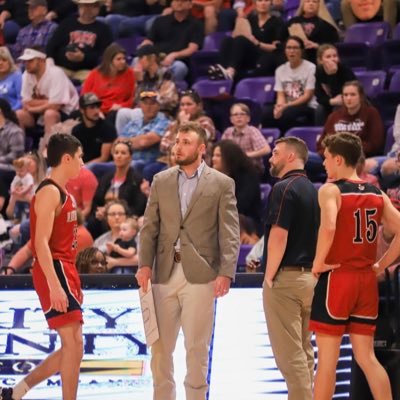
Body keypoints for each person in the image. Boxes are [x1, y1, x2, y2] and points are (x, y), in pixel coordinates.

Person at [136, 121, 240, 400]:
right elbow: (149, 227)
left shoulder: (221, 183)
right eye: (176, 141)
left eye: (185, 142)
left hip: (202, 274)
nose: (177, 146)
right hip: (163, 273)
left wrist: (226, 272)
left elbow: (230, 232)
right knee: (159, 348)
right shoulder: (161, 180)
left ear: (201, 148)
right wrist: (144, 265)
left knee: (197, 347)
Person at [309, 132, 400, 400]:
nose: (324, 164)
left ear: (338, 159)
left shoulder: (330, 190)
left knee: (327, 362)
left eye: (326, 158)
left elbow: (329, 226)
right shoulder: (376, 193)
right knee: (367, 357)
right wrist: (381, 264)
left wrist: (317, 263)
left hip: (337, 278)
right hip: (366, 281)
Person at [0, 133, 84, 400]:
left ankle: (17, 391)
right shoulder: (49, 191)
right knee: (72, 344)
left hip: (65, 267)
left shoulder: (62, 191)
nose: (83, 162)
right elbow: (40, 244)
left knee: (75, 346)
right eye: (80, 157)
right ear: (67, 158)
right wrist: (56, 285)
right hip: (54, 269)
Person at [262, 136, 319, 400]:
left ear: (290, 157)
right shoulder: (312, 188)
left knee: (289, 356)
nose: (270, 158)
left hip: (287, 279)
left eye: (275, 153)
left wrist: (269, 276)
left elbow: (279, 236)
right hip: (310, 279)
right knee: (305, 351)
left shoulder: (283, 187)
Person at [16, 46, 79, 150]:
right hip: (41, 113)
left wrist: (32, 108)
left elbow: (56, 106)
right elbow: (26, 101)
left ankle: (47, 153)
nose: (26, 64)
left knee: (49, 114)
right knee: (19, 114)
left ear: (41, 60)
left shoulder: (56, 73)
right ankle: (19, 152)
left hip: (67, 114)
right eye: (25, 61)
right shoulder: (27, 74)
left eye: (30, 61)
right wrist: (46, 102)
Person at [208, 0, 288, 80]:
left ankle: (231, 71)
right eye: (260, 1)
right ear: (255, 3)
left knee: (241, 40)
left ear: (270, 3)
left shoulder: (277, 22)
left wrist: (258, 43)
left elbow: (275, 48)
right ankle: (223, 70)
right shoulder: (250, 19)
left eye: (266, 0)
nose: (263, 3)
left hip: (264, 56)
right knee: (227, 41)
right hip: (247, 54)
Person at [46, 0, 113, 82]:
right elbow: (51, 46)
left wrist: (84, 57)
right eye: (84, 6)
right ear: (79, 7)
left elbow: (105, 56)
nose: (87, 9)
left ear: (98, 8)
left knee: (94, 80)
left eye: (92, 6)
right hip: (62, 68)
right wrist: (50, 62)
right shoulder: (66, 24)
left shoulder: (104, 29)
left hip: (87, 71)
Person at [261, 35, 317, 134]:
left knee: (286, 114)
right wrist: (279, 107)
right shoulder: (280, 70)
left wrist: (286, 106)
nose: (292, 51)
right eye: (289, 48)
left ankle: (288, 141)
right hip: (287, 105)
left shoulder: (311, 68)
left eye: (295, 48)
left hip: (306, 105)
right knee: (266, 113)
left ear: (301, 51)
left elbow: (307, 96)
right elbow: (280, 94)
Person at [318, 80, 385, 158]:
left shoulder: (371, 113)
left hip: (358, 158)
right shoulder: (334, 116)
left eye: (353, 95)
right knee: (304, 157)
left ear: (361, 96)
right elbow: (322, 144)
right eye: (345, 95)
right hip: (333, 158)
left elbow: (375, 143)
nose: (348, 98)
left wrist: (348, 150)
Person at [140, 0, 204, 81]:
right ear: (171, 4)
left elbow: (192, 48)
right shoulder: (159, 21)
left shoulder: (196, 24)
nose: (179, 3)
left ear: (190, 5)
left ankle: (167, 90)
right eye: (176, 0)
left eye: (183, 1)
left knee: (180, 67)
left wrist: (174, 55)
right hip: (156, 58)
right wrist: (143, 52)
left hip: (177, 61)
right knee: (137, 60)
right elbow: (149, 41)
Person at [212, 139, 262, 227]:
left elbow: (240, 206)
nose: (213, 159)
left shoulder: (248, 175)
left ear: (229, 158)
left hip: (246, 223)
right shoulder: (214, 176)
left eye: (218, 156)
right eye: (213, 155)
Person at [81, 42, 135, 119]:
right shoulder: (95, 73)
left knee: (113, 115)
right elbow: (85, 97)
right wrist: (97, 110)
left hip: (117, 110)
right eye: (118, 59)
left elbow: (132, 99)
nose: (123, 61)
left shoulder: (129, 73)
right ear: (109, 61)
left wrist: (121, 106)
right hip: (97, 109)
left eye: (124, 58)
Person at [221, 102, 271, 173]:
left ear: (248, 118)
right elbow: (221, 150)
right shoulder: (228, 132)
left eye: (242, 114)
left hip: (252, 167)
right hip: (232, 166)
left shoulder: (252, 131)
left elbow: (266, 149)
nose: (239, 117)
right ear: (231, 119)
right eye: (235, 114)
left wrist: (245, 155)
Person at [314, 43, 355, 126]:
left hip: (347, 101)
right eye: (328, 57)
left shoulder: (344, 69)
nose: (333, 59)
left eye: (335, 56)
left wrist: (333, 74)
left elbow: (352, 90)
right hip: (332, 102)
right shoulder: (319, 71)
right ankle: (321, 134)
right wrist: (331, 101)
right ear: (320, 60)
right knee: (319, 109)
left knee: (337, 109)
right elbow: (319, 96)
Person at [72, 93, 117, 167]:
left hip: (102, 168)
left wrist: (83, 167)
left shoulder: (107, 128)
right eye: (92, 107)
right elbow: (75, 155)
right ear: (82, 110)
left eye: (97, 107)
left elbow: (104, 158)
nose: (96, 111)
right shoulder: (76, 130)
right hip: (82, 166)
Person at [8, 157, 35, 221]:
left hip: (27, 199)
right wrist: (13, 190)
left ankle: (27, 219)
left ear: (27, 169)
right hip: (18, 199)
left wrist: (22, 192)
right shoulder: (17, 177)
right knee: (17, 209)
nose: (19, 173)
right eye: (17, 171)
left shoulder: (28, 177)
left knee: (27, 210)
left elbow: (29, 186)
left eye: (21, 171)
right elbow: (12, 184)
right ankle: (17, 218)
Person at [0, 46, 22, 111]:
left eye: (4, 60)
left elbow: (21, 100)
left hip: (14, 111)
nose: (0, 63)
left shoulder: (17, 76)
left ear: (9, 61)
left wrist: (11, 111)